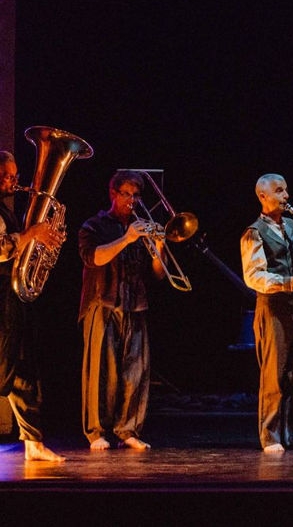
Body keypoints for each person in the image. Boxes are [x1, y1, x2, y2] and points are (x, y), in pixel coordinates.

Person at [77, 170, 163, 450]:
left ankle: (128, 430)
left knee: (136, 370)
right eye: (127, 194)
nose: (133, 201)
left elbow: (160, 275)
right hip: (102, 303)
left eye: (137, 195)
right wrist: (126, 239)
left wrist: (159, 248)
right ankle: (96, 431)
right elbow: (94, 258)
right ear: (114, 194)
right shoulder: (94, 226)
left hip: (135, 303)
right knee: (101, 372)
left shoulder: (140, 226)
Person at [240, 173, 293, 453]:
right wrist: (287, 282)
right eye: (280, 191)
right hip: (272, 310)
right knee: (274, 375)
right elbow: (253, 276)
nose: (286, 196)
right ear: (263, 196)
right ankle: (270, 436)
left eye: (286, 190)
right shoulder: (253, 232)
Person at [0, 150, 64, 462]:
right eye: (5, 175)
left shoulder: (7, 211)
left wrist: (43, 241)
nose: (11, 181)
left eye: (13, 175)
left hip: (11, 299)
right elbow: (1, 250)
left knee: (24, 370)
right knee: (3, 371)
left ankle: (33, 442)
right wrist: (32, 234)